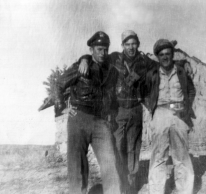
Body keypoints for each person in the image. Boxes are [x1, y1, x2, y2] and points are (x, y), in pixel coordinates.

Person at [78, 30, 156, 193]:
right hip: (118, 110)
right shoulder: (114, 58)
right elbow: (94, 57)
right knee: (117, 147)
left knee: (133, 148)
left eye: (134, 43)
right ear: (122, 46)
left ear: (138, 44)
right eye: (127, 44)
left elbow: (162, 65)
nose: (131, 47)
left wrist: (184, 63)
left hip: (136, 110)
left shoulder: (144, 61)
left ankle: (131, 186)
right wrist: (83, 59)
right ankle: (119, 186)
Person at [54, 31, 121, 194]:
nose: (103, 53)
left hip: (100, 121)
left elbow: (112, 96)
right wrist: (63, 108)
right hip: (79, 119)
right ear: (91, 50)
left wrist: (110, 114)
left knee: (109, 163)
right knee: (77, 165)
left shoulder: (112, 71)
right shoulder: (81, 66)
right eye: (99, 49)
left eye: (105, 49)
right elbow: (58, 84)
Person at [145, 39, 195, 194]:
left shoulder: (181, 71)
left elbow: (191, 91)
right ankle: (156, 191)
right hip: (160, 113)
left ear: (172, 55)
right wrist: (152, 112)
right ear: (157, 57)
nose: (165, 57)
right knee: (158, 156)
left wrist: (186, 108)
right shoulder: (152, 73)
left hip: (179, 114)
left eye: (168, 54)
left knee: (181, 156)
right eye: (161, 55)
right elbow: (145, 93)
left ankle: (185, 190)